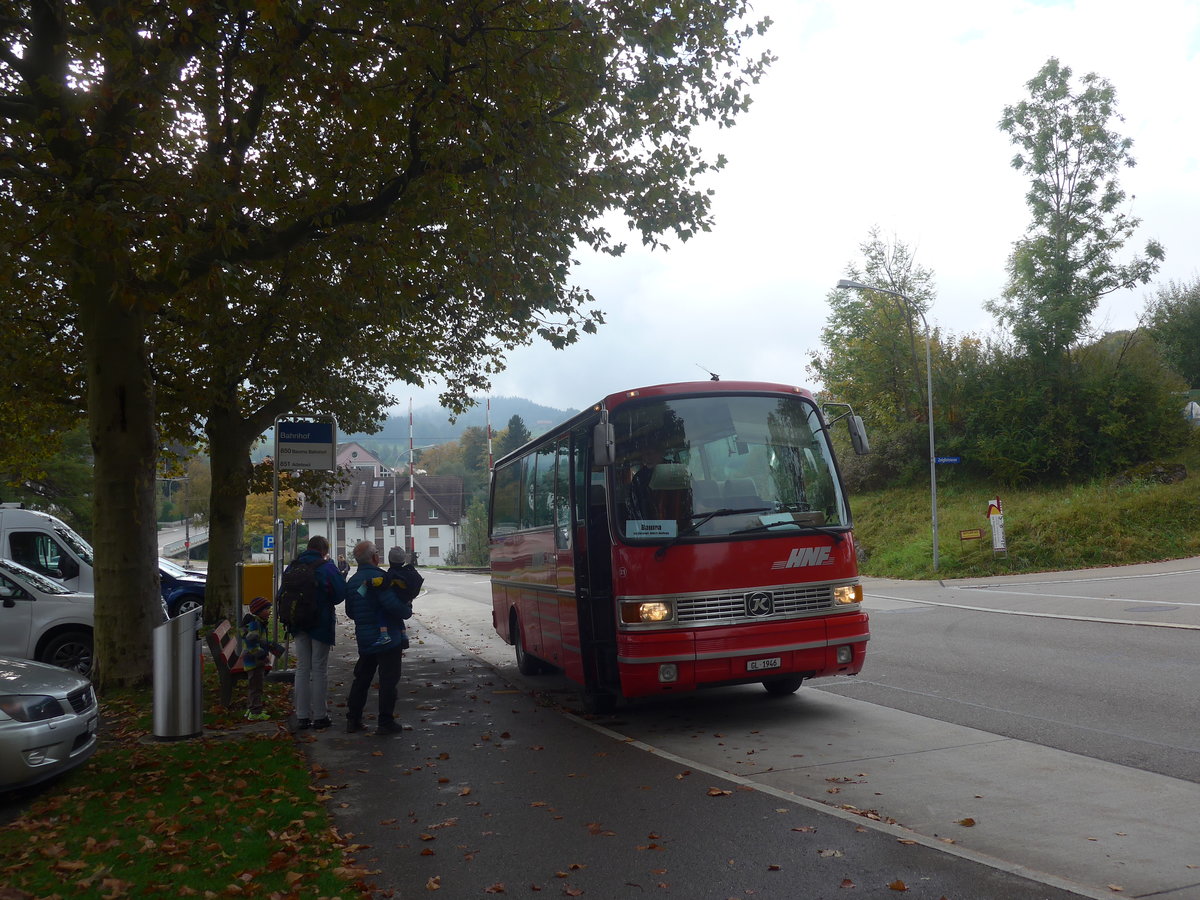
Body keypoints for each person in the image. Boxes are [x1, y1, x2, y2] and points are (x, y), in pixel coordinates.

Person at [345, 540, 411, 735]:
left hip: (365, 639)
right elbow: (393, 606)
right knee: (388, 681)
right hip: (388, 639)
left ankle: (353, 719)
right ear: (375, 557)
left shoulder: (353, 582)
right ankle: (385, 722)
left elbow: (350, 612)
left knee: (362, 679)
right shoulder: (381, 579)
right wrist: (406, 610)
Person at [283, 535, 347, 730]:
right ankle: (320, 716)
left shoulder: (293, 566)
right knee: (319, 668)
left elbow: (282, 594)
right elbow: (339, 595)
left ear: (308, 548)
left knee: (302, 668)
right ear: (324, 551)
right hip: (320, 623)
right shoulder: (327, 568)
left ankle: (301, 716)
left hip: (298, 623)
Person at [241, 595, 284, 721]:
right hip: (254, 662)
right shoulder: (255, 625)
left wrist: (270, 646)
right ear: (258, 611)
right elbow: (251, 644)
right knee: (256, 687)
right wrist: (262, 655)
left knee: (254, 686)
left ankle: (251, 709)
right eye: (266, 609)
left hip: (252, 661)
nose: (269, 611)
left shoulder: (258, 623)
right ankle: (255, 712)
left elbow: (259, 640)